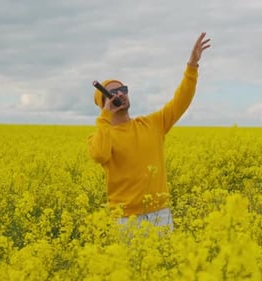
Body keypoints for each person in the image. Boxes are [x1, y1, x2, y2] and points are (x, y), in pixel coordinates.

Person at [87, 32, 211, 230]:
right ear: (103, 103)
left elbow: (181, 101)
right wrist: (105, 117)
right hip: (125, 220)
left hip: (160, 214)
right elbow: (100, 155)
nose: (120, 94)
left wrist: (192, 66)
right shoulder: (101, 136)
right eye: (112, 93)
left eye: (123, 89)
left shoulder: (152, 124)